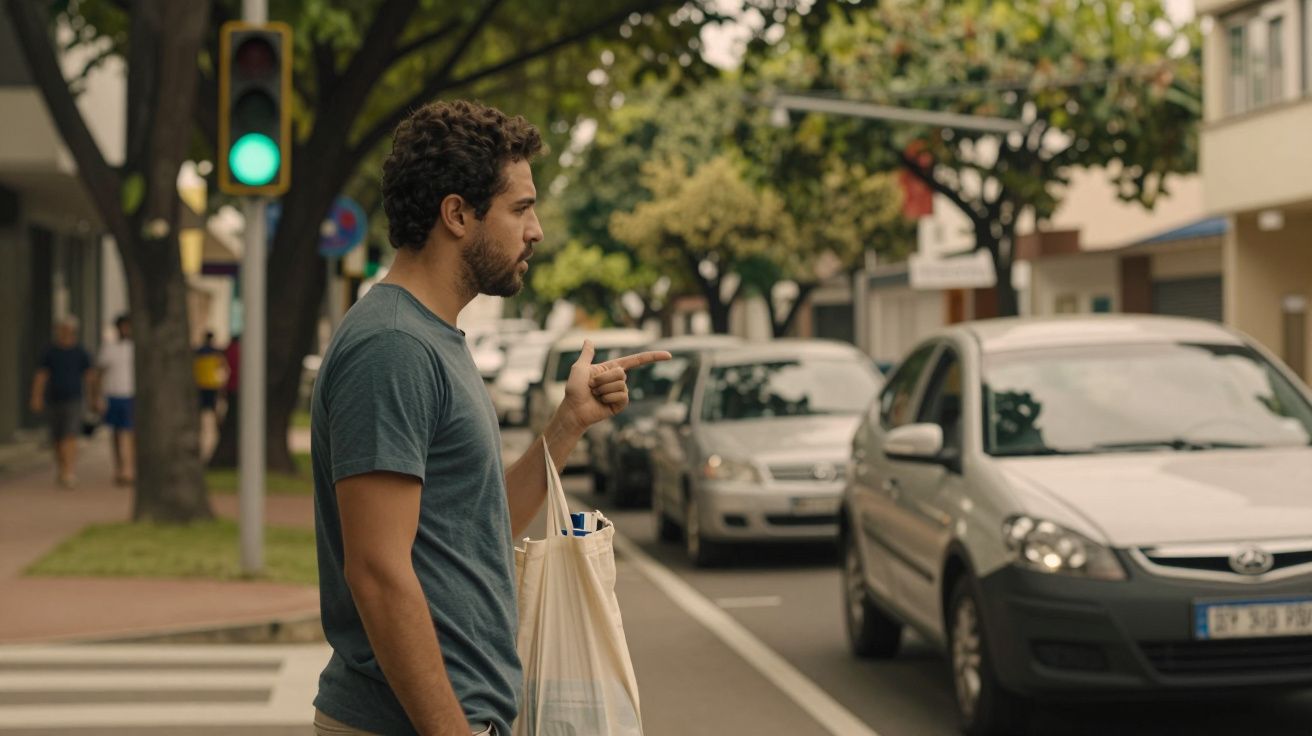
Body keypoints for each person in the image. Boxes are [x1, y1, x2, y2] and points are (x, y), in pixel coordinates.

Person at [310, 100, 669, 736]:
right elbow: (377, 569)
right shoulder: (392, 347)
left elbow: (476, 526)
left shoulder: (432, 337)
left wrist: (567, 425)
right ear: (457, 214)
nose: (536, 230)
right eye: (521, 209)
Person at [29, 317, 95, 488]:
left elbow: (89, 377)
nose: (64, 332)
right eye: (62, 329)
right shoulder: (50, 352)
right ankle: (62, 468)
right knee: (57, 438)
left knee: (70, 435)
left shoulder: (80, 352)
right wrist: (36, 397)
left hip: (74, 399)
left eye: (68, 329)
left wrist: (94, 398)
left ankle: (69, 471)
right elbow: (41, 376)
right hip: (54, 399)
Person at [94, 314, 135, 486]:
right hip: (113, 395)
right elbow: (99, 374)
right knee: (116, 434)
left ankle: (128, 469)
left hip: (131, 395)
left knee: (128, 432)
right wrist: (97, 397)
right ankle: (120, 467)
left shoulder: (137, 348)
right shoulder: (109, 348)